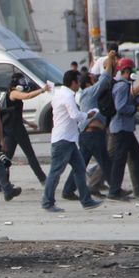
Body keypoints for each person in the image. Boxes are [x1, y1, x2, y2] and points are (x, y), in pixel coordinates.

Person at [42, 70, 102, 212]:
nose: (79, 84)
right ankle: (47, 202)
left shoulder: (60, 93)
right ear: (73, 82)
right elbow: (75, 115)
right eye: (78, 81)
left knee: (80, 169)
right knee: (56, 172)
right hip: (63, 140)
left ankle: (86, 200)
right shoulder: (67, 96)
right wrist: (89, 114)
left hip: (66, 139)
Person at [63, 58, 114, 201]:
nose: (95, 80)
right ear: (87, 83)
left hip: (87, 135)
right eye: (93, 79)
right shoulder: (89, 92)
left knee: (80, 165)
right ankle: (115, 190)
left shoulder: (86, 94)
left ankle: (68, 190)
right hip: (92, 134)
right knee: (106, 162)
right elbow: (104, 81)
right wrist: (109, 61)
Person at [106, 58, 139, 200]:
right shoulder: (122, 86)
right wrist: (135, 108)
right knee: (119, 160)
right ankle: (114, 191)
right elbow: (120, 107)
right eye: (130, 71)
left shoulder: (122, 85)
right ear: (126, 71)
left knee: (137, 156)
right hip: (121, 128)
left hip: (125, 128)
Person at [2, 72, 47, 185]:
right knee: (29, 154)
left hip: (12, 129)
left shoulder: (12, 94)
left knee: (7, 158)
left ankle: (3, 182)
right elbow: (28, 96)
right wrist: (42, 90)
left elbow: (15, 114)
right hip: (16, 130)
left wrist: (29, 123)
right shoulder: (13, 93)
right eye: (21, 82)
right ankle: (42, 179)